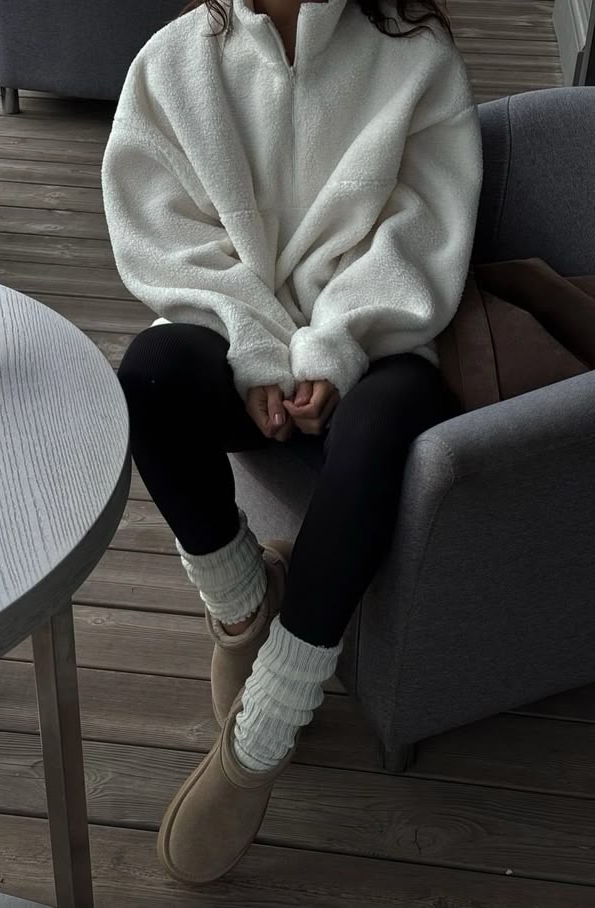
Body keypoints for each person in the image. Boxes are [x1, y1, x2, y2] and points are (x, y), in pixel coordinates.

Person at [101, 0, 483, 885]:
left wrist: (333, 350)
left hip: (379, 345)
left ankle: (265, 731)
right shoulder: (172, 63)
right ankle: (243, 604)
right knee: (151, 372)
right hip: (240, 341)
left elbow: (424, 228)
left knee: (385, 424)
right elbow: (163, 236)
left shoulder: (416, 55)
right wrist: (260, 353)